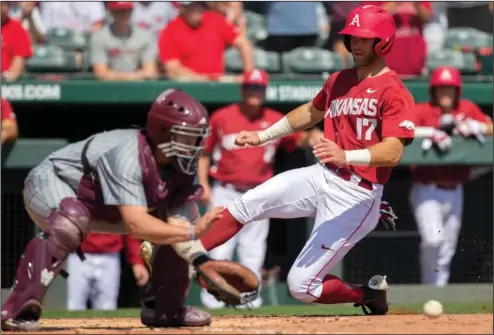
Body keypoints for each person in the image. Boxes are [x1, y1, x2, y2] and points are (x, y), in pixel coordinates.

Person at [186, 5, 415, 314]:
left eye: (364, 38)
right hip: (324, 174)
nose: (356, 44)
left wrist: (346, 155)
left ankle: (366, 295)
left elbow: (393, 151)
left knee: (301, 286)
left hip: (357, 193)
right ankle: (183, 257)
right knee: (246, 204)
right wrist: (262, 135)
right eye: (352, 37)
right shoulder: (339, 79)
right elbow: (310, 112)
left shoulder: (394, 90)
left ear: (383, 41)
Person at [0, 89, 226, 331]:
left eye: (197, 138)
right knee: (70, 222)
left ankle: (166, 308)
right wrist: (192, 233)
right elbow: (136, 224)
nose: (195, 147)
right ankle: (18, 308)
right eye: (187, 138)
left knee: (180, 224)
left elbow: (179, 227)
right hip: (54, 184)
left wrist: (202, 261)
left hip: (100, 206)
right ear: (163, 132)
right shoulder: (127, 153)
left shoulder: (184, 169)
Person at [197, 69, 323, 309]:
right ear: (243, 89)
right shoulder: (222, 117)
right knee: (219, 248)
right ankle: (212, 302)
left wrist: (312, 136)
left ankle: (249, 302)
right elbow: (204, 152)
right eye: (251, 87)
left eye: (259, 88)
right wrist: (203, 183)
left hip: (258, 193)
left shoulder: (275, 119)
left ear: (265, 91)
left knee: (253, 250)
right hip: (226, 189)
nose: (255, 92)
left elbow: (298, 140)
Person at [411, 66, 493, 287]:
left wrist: (477, 126)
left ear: (458, 90)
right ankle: (429, 287)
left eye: (450, 88)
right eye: (441, 88)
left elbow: (490, 128)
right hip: (428, 189)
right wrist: (431, 131)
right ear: (433, 90)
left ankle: (438, 291)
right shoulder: (422, 110)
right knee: (433, 240)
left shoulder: (467, 108)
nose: (446, 93)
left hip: (455, 190)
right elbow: (402, 130)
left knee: (447, 249)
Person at [158, 1, 254, 82]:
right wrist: (203, 79)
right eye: (192, 7)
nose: (197, 10)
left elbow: (243, 44)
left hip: (218, 82)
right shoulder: (170, 31)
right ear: (182, 8)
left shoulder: (214, 20)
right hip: (188, 86)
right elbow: (173, 68)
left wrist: (248, 74)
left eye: (199, 6)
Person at [67, 232, 149, 311]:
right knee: (75, 305)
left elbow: (129, 225)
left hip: (110, 254)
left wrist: (137, 261)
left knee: (107, 307)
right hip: (78, 253)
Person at [90, 2, 158, 81]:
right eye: (119, 11)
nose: (123, 14)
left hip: (138, 86)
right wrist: (132, 76)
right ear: (111, 12)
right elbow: (100, 73)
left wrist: (119, 76)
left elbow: (150, 71)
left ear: (132, 11)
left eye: (127, 10)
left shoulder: (144, 36)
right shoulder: (99, 37)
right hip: (109, 87)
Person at [1, 1, 33, 82]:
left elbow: (15, 70)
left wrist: (7, 78)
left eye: (2, 5)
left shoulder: (16, 28)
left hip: (6, 85)